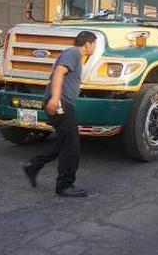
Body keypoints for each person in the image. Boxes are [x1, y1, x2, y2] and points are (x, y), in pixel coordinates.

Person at [23, 31, 97, 197]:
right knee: (72, 146)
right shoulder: (73, 53)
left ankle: (33, 165)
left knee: (63, 141)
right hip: (60, 104)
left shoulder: (74, 56)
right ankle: (64, 184)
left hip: (62, 103)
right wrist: (55, 99)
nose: (95, 47)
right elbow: (58, 73)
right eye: (95, 44)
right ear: (87, 44)